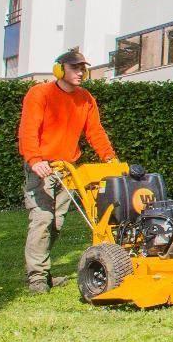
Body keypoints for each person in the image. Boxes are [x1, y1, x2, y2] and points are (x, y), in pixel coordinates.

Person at [17, 49, 117, 294]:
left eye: (83, 68)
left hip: (67, 169)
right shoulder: (39, 94)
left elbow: (95, 131)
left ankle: (43, 272)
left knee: (56, 224)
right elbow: (28, 129)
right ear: (59, 69)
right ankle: (37, 278)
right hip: (41, 167)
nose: (81, 72)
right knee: (42, 220)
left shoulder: (85, 98)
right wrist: (34, 159)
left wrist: (109, 157)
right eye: (75, 68)